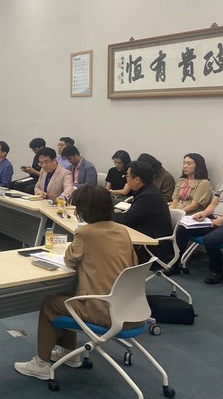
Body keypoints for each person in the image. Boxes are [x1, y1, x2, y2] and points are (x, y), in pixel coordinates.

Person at [14, 186, 137, 380]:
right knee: (68, 297)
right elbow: (133, 263)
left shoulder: (86, 233)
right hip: (131, 308)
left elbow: (69, 260)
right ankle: (69, 353)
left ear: (83, 211)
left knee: (50, 303)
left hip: (104, 309)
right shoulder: (122, 231)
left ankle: (41, 364)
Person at [174, 152, 223, 284]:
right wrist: (204, 214)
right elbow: (214, 204)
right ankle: (175, 264)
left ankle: (217, 271)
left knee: (210, 240)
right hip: (214, 218)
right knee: (183, 229)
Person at [112, 160, 173, 265]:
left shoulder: (148, 196)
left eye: (127, 176)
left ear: (137, 179)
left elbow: (126, 219)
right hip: (146, 235)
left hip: (152, 246)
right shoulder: (147, 190)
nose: (126, 179)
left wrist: (103, 215)